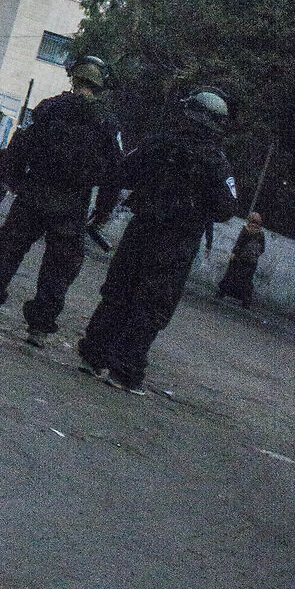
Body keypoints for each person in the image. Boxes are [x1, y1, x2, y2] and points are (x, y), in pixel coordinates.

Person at [77, 87, 244, 393]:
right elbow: (226, 209)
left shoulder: (159, 143)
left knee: (119, 292)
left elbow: (123, 172)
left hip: (142, 230)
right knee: (152, 305)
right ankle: (124, 371)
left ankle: (93, 354)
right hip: (177, 244)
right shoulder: (217, 161)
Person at [0, 55, 122, 345]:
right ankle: (39, 326)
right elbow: (114, 173)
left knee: (8, 249)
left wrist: (14, 181)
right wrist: (101, 213)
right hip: (72, 203)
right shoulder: (106, 122)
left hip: (33, 193)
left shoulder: (50, 107)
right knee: (59, 267)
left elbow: (20, 145)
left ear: (74, 78)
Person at [217, 212, 267, 307]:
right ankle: (246, 301)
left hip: (240, 258)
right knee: (247, 280)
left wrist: (234, 253)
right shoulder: (261, 233)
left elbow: (239, 243)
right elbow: (262, 249)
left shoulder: (246, 229)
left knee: (231, 275)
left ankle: (222, 292)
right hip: (252, 261)